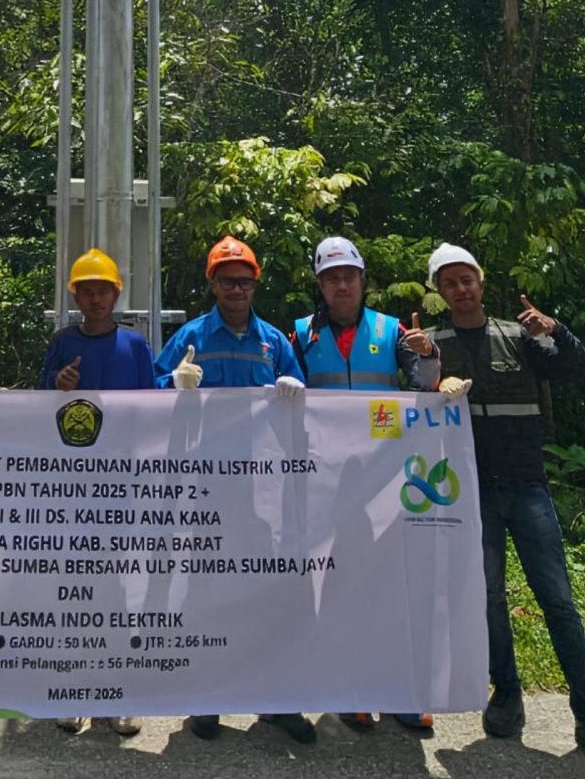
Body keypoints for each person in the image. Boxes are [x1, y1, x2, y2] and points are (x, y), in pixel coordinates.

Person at [426, 243, 585, 779]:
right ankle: (507, 693)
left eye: (467, 278)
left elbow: (578, 371)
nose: (461, 288)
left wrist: (556, 332)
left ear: (481, 281)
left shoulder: (519, 334)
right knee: (490, 598)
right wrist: (420, 367)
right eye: (449, 282)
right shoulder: (433, 345)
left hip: (527, 488)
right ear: (439, 292)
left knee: (559, 602)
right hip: (471, 493)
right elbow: (408, 396)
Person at [153, 236, 314, 746]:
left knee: (266, 591)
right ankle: (206, 697)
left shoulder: (274, 343)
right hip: (205, 491)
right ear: (213, 284)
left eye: (244, 280)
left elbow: (306, 402)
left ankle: (277, 699)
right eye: (227, 280)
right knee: (205, 595)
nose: (236, 289)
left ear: (255, 284)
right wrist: (172, 384)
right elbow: (148, 395)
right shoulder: (191, 337)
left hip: (263, 491)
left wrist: (294, 389)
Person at [293, 235, 440, 735]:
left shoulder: (393, 329)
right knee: (339, 587)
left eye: (349, 276)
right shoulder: (299, 336)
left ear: (362, 280)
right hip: (328, 482)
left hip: (386, 480)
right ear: (319, 284)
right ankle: (352, 689)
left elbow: (426, 385)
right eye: (331, 278)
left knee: (395, 587)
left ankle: (402, 691)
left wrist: (429, 354)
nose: (341, 285)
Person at [37, 248, 153, 738]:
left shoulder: (136, 345)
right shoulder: (63, 344)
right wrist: (58, 387)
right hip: (73, 488)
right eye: (86, 291)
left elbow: (155, 409)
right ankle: (75, 689)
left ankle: (118, 692)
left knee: (119, 587)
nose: (95, 298)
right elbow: (38, 409)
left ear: (116, 294)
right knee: (76, 588)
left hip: (122, 485)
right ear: (76, 297)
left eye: (103, 290)